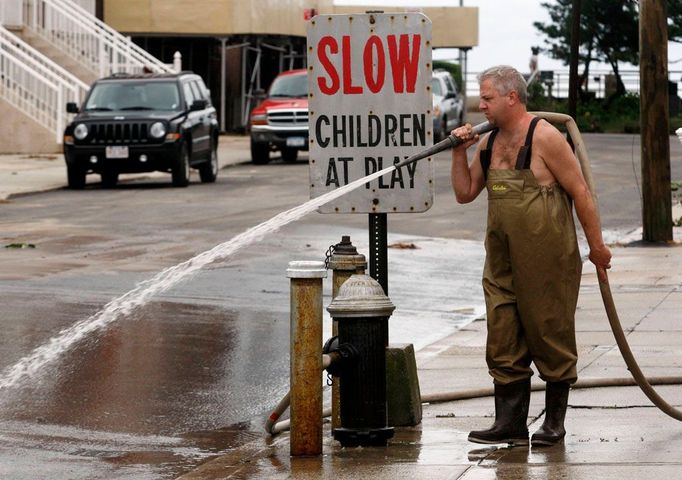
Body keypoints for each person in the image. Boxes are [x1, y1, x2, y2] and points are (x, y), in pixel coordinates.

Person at [450, 65, 612, 447]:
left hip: (548, 257)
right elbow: (465, 192)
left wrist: (597, 247)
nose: (481, 105)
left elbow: (582, 193)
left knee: (549, 332)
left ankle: (554, 423)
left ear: (512, 97)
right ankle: (509, 423)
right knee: (502, 334)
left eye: (487, 98)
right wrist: (460, 152)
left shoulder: (546, 137)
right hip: (502, 259)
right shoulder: (488, 143)